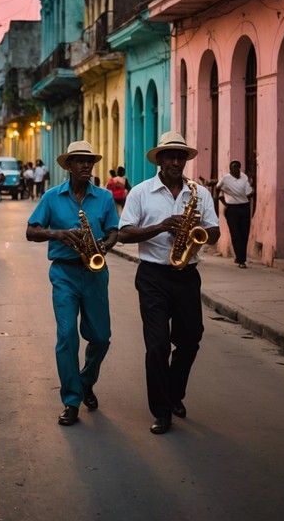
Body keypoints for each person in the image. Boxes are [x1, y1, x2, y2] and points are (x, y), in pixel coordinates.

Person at [118, 131, 220, 435]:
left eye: (181, 157)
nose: (176, 162)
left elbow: (213, 233)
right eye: (170, 156)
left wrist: (194, 232)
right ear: (159, 160)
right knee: (157, 345)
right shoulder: (140, 192)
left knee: (191, 340)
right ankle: (162, 410)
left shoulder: (199, 193)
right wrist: (161, 227)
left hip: (187, 275)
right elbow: (124, 234)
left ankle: (174, 392)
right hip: (152, 276)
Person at [25, 141, 119, 427]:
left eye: (89, 161)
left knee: (101, 337)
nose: (86, 166)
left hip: (94, 273)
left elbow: (114, 231)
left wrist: (104, 245)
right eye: (80, 161)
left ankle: (85, 380)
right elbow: (31, 231)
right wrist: (58, 234)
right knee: (66, 336)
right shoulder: (52, 197)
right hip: (64, 273)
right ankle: (71, 400)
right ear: (68, 165)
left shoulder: (103, 197)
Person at [216, 160, 254, 268]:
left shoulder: (244, 177)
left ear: (240, 168)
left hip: (244, 207)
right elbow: (218, 189)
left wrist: (252, 191)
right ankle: (241, 260)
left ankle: (240, 257)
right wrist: (222, 201)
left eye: (237, 167)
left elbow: (248, 192)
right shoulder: (226, 179)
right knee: (236, 234)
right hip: (232, 209)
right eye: (233, 167)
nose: (235, 169)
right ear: (230, 169)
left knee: (244, 233)